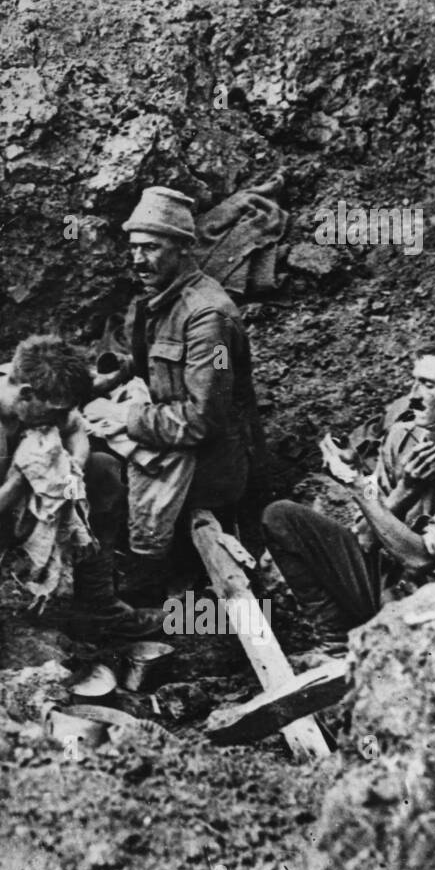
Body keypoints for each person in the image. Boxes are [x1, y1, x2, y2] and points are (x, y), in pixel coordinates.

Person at [0, 335, 164, 685]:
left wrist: (67, 477)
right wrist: (21, 480)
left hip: (17, 507)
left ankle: (98, 606)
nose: (58, 417)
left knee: (103, 472)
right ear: (24, 394)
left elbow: (74, 427)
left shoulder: (37, 385)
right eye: (53, 410)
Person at [262, 337, 435, 655]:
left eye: (428, 385)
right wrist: (404, 490)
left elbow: (423, 559)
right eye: (415, 382)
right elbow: (366, 538)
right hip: (390, 586)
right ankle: (338, 643)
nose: (413, 397)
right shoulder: (401, 437)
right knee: (282, 517)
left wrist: (357, 485)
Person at [87, 187, 261, 591]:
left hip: (210, 466)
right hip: (171, 438)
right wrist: (107, 380)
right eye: (134, 248)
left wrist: (123, 417)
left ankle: (136, 581)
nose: (138, 259)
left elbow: (203, 420)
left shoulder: (208, 319)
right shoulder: (158, 301)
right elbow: (149, 360)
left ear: (183, 248)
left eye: (151, 248)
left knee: (102, 470)